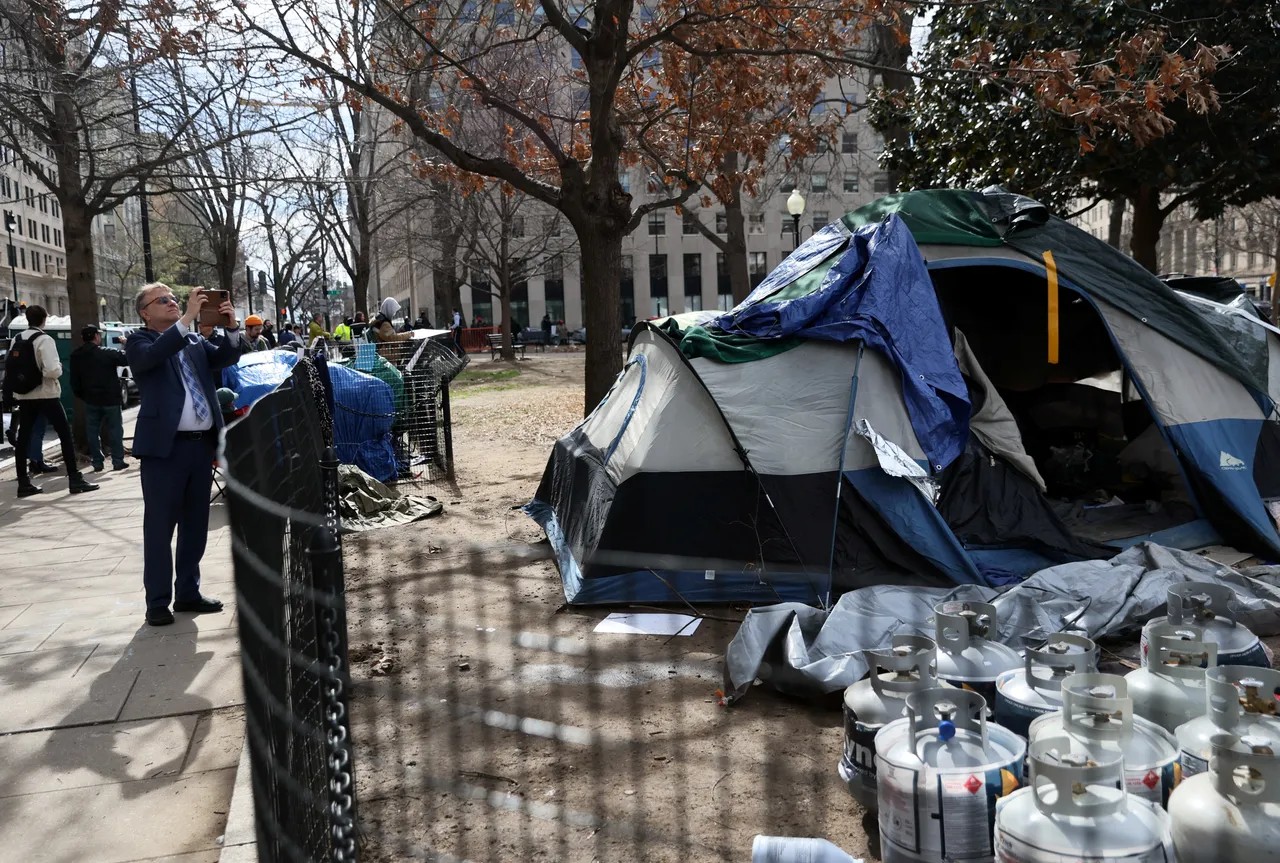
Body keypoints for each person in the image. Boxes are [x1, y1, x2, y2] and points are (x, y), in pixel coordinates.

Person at [126, 283, 245, 627]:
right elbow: (152, 357)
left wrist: (231, 328)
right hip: (165, 451)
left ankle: (188, 593)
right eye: (162, 300)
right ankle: (157, 601)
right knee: (160, 527)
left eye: (173, 299)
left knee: (195, 525)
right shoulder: (139, 341)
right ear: (145, 312)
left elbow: (226, 357)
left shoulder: (193, 341)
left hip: (200, 446)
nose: (172, 303)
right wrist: (188, 319)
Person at [10, 305, 99, 496]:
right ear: (44, 320)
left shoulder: (16, 339)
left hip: (24, 395)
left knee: (24, 438)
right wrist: (58, 367)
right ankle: (74, 478)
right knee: (65, 435)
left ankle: (23, 483)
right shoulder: (44, 339)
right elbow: (51, 370)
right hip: (46, 394)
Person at [70, 324, 130, 472]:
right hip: (110, 398)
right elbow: (126, 359)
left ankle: (97, 462)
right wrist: (126, 344)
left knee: (92, 431)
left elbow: (74, 381)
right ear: (97, 336)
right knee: (115, 429)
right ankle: (118, 460)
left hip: (91, 399)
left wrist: (83, 395)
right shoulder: (107, 353)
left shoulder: (76, 356)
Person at [369, 297, 412, 362]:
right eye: (393, 312)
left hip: (378, 352)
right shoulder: (384, 324)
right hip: (383, 355)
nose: (393, 314)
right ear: (389, 310)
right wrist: (409, 334)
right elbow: (394, 338)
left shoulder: (378, 318)